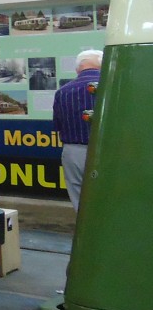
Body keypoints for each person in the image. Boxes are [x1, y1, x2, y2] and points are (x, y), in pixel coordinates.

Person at [52, 49, 103, 211]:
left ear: (77, 69)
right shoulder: (112, 88)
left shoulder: (63, 92)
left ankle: (86, 233)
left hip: (74, 151)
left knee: (79, 197)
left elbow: (57, 126)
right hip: (109, 150)